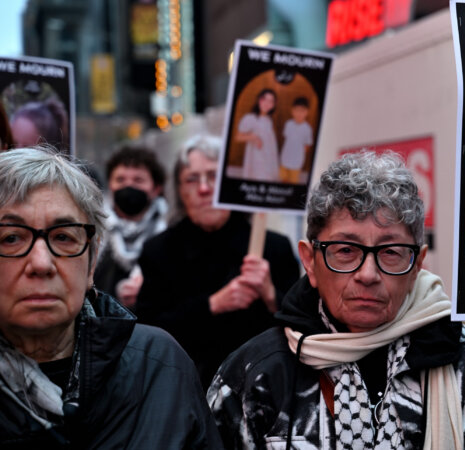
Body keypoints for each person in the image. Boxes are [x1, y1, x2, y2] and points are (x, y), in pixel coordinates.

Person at [207, 151, 465, 449]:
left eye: (390, 252)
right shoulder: (258, 374)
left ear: (417, 264)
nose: (368, 274)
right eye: (346, 251)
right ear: (309, 260)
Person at [0, 147, 223, 448]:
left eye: (64, 237)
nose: (41, 263)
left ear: (92, 262)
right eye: (11, 238)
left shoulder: (159, 367)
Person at [134, 134, 299, 386]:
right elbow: (148, 332)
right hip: (184, 385)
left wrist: (269, 295)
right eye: (191, 179)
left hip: (263, 385)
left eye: (214, 176)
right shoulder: (158, 251)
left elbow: (301, 326)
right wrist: (212, 304)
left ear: (232, 184)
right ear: (179, 190)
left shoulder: (274, 247)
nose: (204, 188)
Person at [93, 146, 168, 307]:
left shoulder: (169, 238)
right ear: (110, 186)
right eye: (120, 180)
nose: (128, 186)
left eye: (138, 180)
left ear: (156, 189)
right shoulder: (94, 233)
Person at [234, 88, 281, 182]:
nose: (267, 103)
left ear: (273, 104)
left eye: (271, 101)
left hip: (269, 158)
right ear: (259, 100)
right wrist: (253, 137)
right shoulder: (250, 118)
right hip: (257, 159)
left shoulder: (269, 119)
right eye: (265, 99)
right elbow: (238, 137)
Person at [280, 96, 314, 184]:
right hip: (285, 157)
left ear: (307, 112)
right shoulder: (288, 124)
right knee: (282, 178)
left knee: (293, 180)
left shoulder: (307, 128)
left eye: (302, 110)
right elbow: (286, 137)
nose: (299, 113)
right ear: (292, 111)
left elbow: (307, 145)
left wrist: (299, 153)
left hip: (297, 160)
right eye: (297, 110)